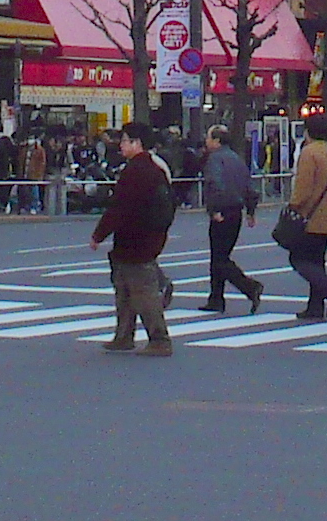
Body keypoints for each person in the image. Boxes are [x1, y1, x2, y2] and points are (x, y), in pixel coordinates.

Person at [90, 119, 175, 355]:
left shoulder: (136, 171)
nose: (121, 145)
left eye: (125, 141)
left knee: (143, 292)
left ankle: (159, 339)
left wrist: (99, 234)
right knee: (125, 289)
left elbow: (119, 208)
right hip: (141, 239)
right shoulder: (154, 169)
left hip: (136, 240)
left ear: (137, 143)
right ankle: (123, 335)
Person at [281, 117, 327, 320]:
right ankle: (315, 306)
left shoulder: (309, 153)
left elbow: (303, 188)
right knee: (317, 261)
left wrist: (293, 205)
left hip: (308, 217)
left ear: (308, 131)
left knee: (298, 258)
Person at [196, 124, 264, 314]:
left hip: (223, 211)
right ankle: (216, 298)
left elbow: (214, 185)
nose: (206, 141)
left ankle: (249, 287)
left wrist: (214, 209)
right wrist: (251, 211)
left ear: (216, 141)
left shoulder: (214, 159)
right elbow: (249, 187)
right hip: (236, 212)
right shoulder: (236, 159)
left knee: (219, 258)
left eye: (209, 137)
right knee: (221, 256)